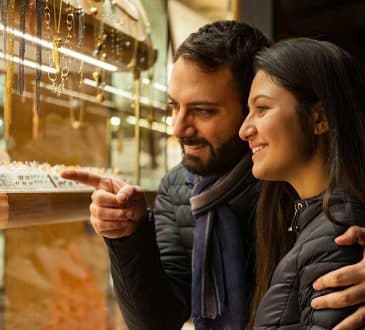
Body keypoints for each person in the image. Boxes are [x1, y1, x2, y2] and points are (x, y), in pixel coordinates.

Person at [61, 22, 365, 330]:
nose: (178, 128)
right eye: (174, 107)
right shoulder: (179, 188)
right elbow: (158, 319)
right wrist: (128, 236)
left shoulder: (300, 186)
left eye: (203, 111)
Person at [239, 37, 365, 329]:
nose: (244, 129)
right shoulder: (314, 221)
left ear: (319, 118)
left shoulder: (338, 234)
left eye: (262, 108)